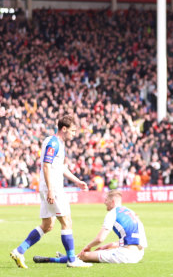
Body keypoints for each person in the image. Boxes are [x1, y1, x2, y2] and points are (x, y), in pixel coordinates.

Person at [10, 115, 92, 268]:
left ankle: (19, 251)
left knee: (48, 225)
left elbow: (60, 167)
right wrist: (51, 190)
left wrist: (77, 181)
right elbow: (46, 166)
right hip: (52, 188)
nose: (74, 134)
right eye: (73, 131)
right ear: (64, 129)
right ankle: (72, 260)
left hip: (49, 187)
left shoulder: (58, 143)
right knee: (67, 221)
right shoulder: (54, 142)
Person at [33, 190, 147, 264]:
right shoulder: (131, 212)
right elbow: (139, 240)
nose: (104, 203)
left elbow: (100, 238)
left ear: (112, 201)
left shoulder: (112, 213)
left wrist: (87, 246)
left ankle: (52, 260)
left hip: (125, 256)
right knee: (106, 247)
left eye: (106, 200)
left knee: (85, 255)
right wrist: (106, 246)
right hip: (139, 254)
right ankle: (71, 256)